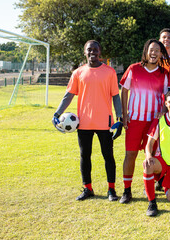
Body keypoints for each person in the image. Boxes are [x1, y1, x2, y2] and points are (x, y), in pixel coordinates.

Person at [51, 40, 122, 201]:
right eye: (89, 50)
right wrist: (57, 113)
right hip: (83, 123)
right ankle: (87, 188)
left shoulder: (110, 72)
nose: (92, 53)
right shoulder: (78, 73)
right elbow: (68, 95)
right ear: (85, 52)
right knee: (85, 155)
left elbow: (116, 96)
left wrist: (119, 118)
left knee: (108, 156)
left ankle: (111, 190)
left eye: (95, 50)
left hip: (105, 123)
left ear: (100, 52)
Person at [119, 39, 170, 204]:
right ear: (146, 51)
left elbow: (166, 97)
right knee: (130, 154)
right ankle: (127, 190)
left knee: (152, 156)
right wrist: (124, 114)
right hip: (135, 119)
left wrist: (163, 110)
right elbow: (124, 91)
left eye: (157, 50)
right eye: (151, 50)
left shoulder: (163, 73)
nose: (154, 53)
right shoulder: (134, 69)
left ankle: (153, 183)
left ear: (161, 54)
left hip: (153, 122)